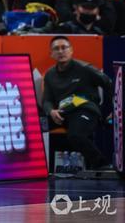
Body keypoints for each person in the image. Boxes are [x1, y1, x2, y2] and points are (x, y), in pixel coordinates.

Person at [43, 36, 112, 170]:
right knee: (33, 127)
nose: (61, 51)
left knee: (76, 135)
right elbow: (47, 100)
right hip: (61, 114)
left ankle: (102, 165)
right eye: (56, 49)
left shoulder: (85, 68)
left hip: (85, 110)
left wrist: (116, 110)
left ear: (71, 50)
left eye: (64, 47)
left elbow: (110, 85)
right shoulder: (50, 74)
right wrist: (51, 111)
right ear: (51, 53)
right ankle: (33, 167)